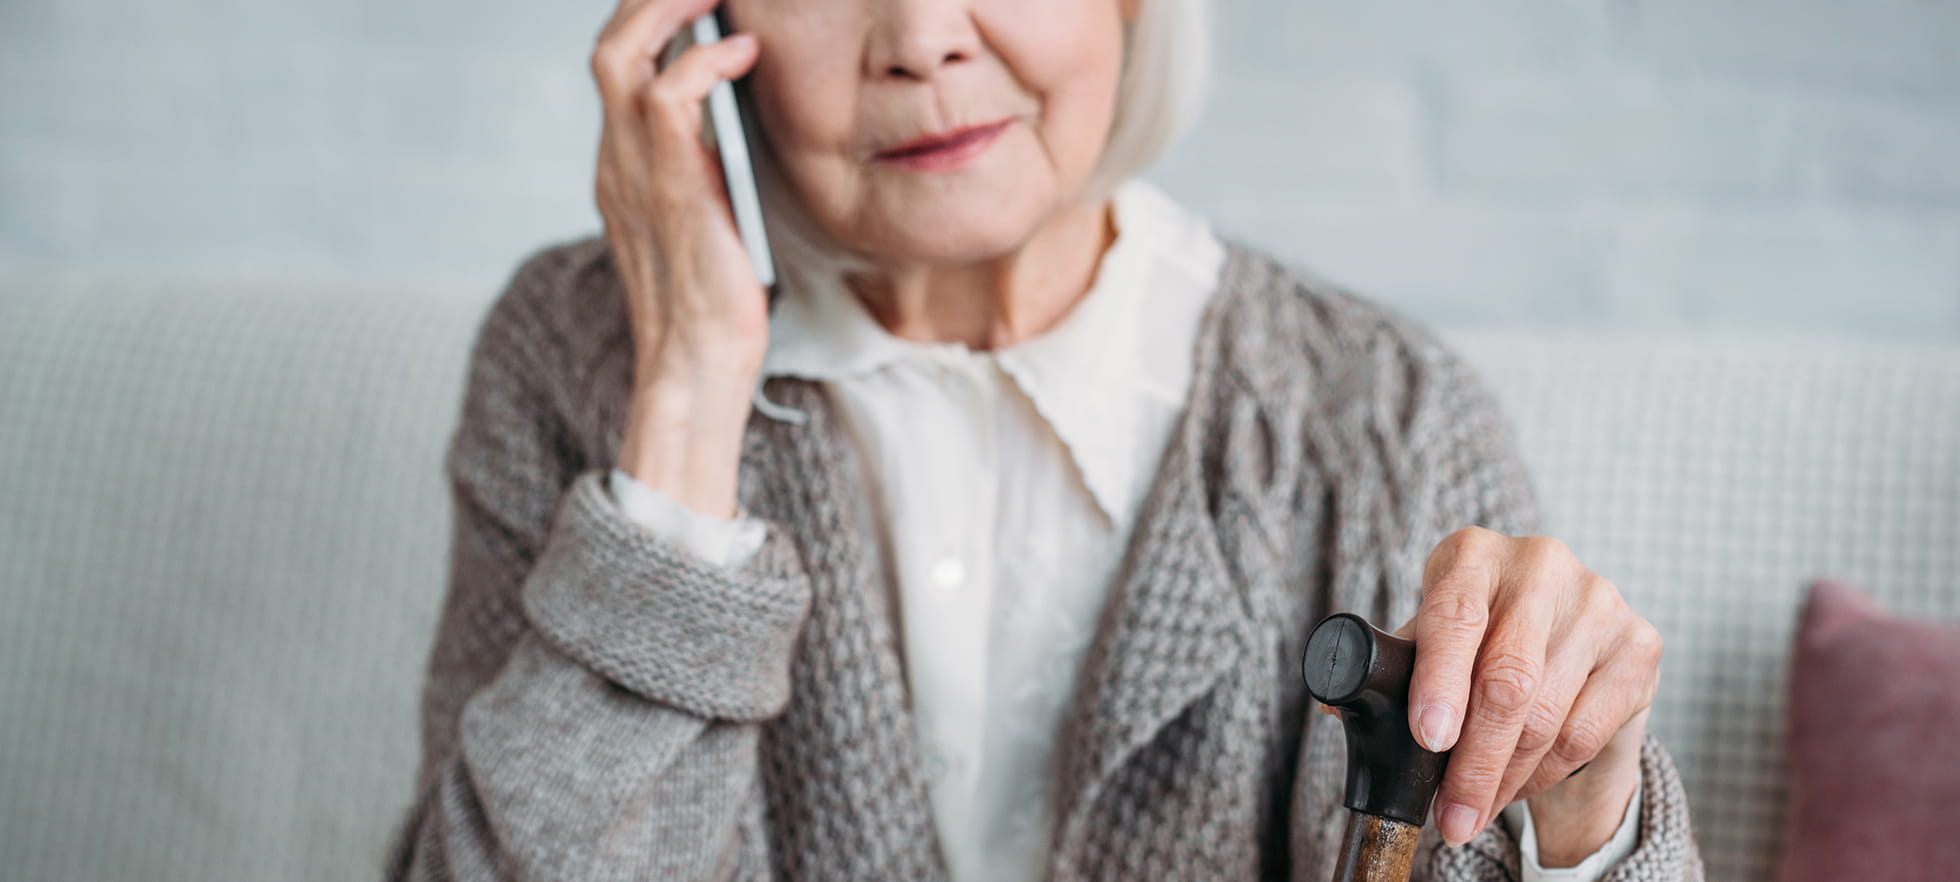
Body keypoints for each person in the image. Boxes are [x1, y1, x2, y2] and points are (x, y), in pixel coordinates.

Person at [382, 0, 1704, 879]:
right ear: (702, 27)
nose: (920, 40)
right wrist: (683, 401)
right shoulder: (578, 358)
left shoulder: (1385, 409)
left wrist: (1581, 818)